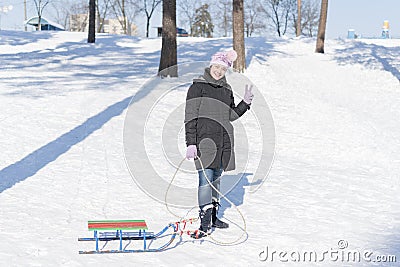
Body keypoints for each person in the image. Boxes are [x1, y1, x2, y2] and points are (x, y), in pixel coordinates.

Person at [184, 50, 254, 239]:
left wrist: (244, 104)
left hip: (222, 141)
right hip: (203, 142)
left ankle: (213, 216)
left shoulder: (226, 89)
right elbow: (190, 116)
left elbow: (230, 115)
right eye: (216, 67)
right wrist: (191, 143)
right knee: (205, 182)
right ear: (210, 66)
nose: (218, 71)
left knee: (215, 181)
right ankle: (204, 220)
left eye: (223, 69)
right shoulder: (197, 87)